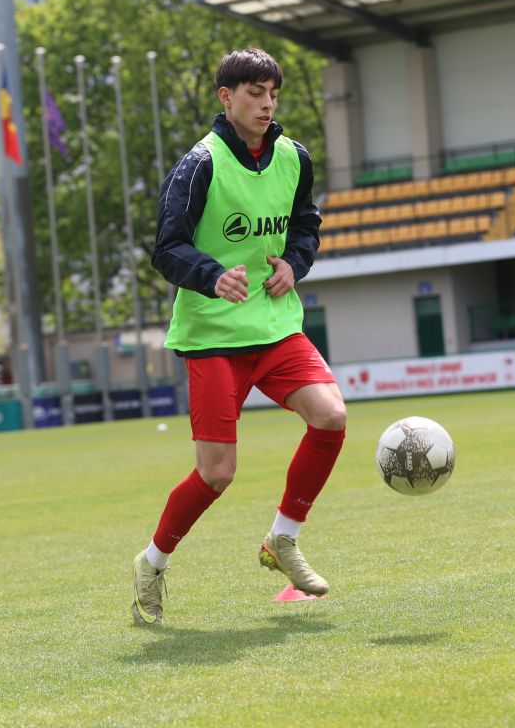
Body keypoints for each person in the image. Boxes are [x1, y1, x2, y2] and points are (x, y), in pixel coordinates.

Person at [131, 47, 347, 626]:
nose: (266, 103)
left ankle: (283, 539)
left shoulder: (294, 157)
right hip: (212, 337)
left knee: (331, 416)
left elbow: (306, 226)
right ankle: (151, 564)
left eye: (272, 93)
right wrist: (210, 274)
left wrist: (293, 265)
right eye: (254, 93)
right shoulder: (199, 164)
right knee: (217, 473)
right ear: (226, 98)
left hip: (274, 327)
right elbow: (166, 248)